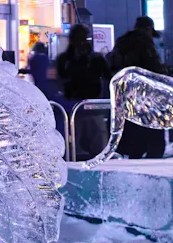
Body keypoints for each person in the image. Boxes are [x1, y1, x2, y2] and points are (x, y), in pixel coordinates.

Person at [109, 18, 166, 158]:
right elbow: (153, 69)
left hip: (127, 94)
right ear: (147, 30)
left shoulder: (121, 45)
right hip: (147, 94)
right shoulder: (144, 45)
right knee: (154, 135)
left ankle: (135, 158)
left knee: (136, 135)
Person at [57, 25, 109, 159]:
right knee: (79, 145)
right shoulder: (67, 59)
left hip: (88, 106)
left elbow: (107, 76)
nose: (82, 42)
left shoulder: (94, 58)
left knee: (92, 144)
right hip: (77, 107)